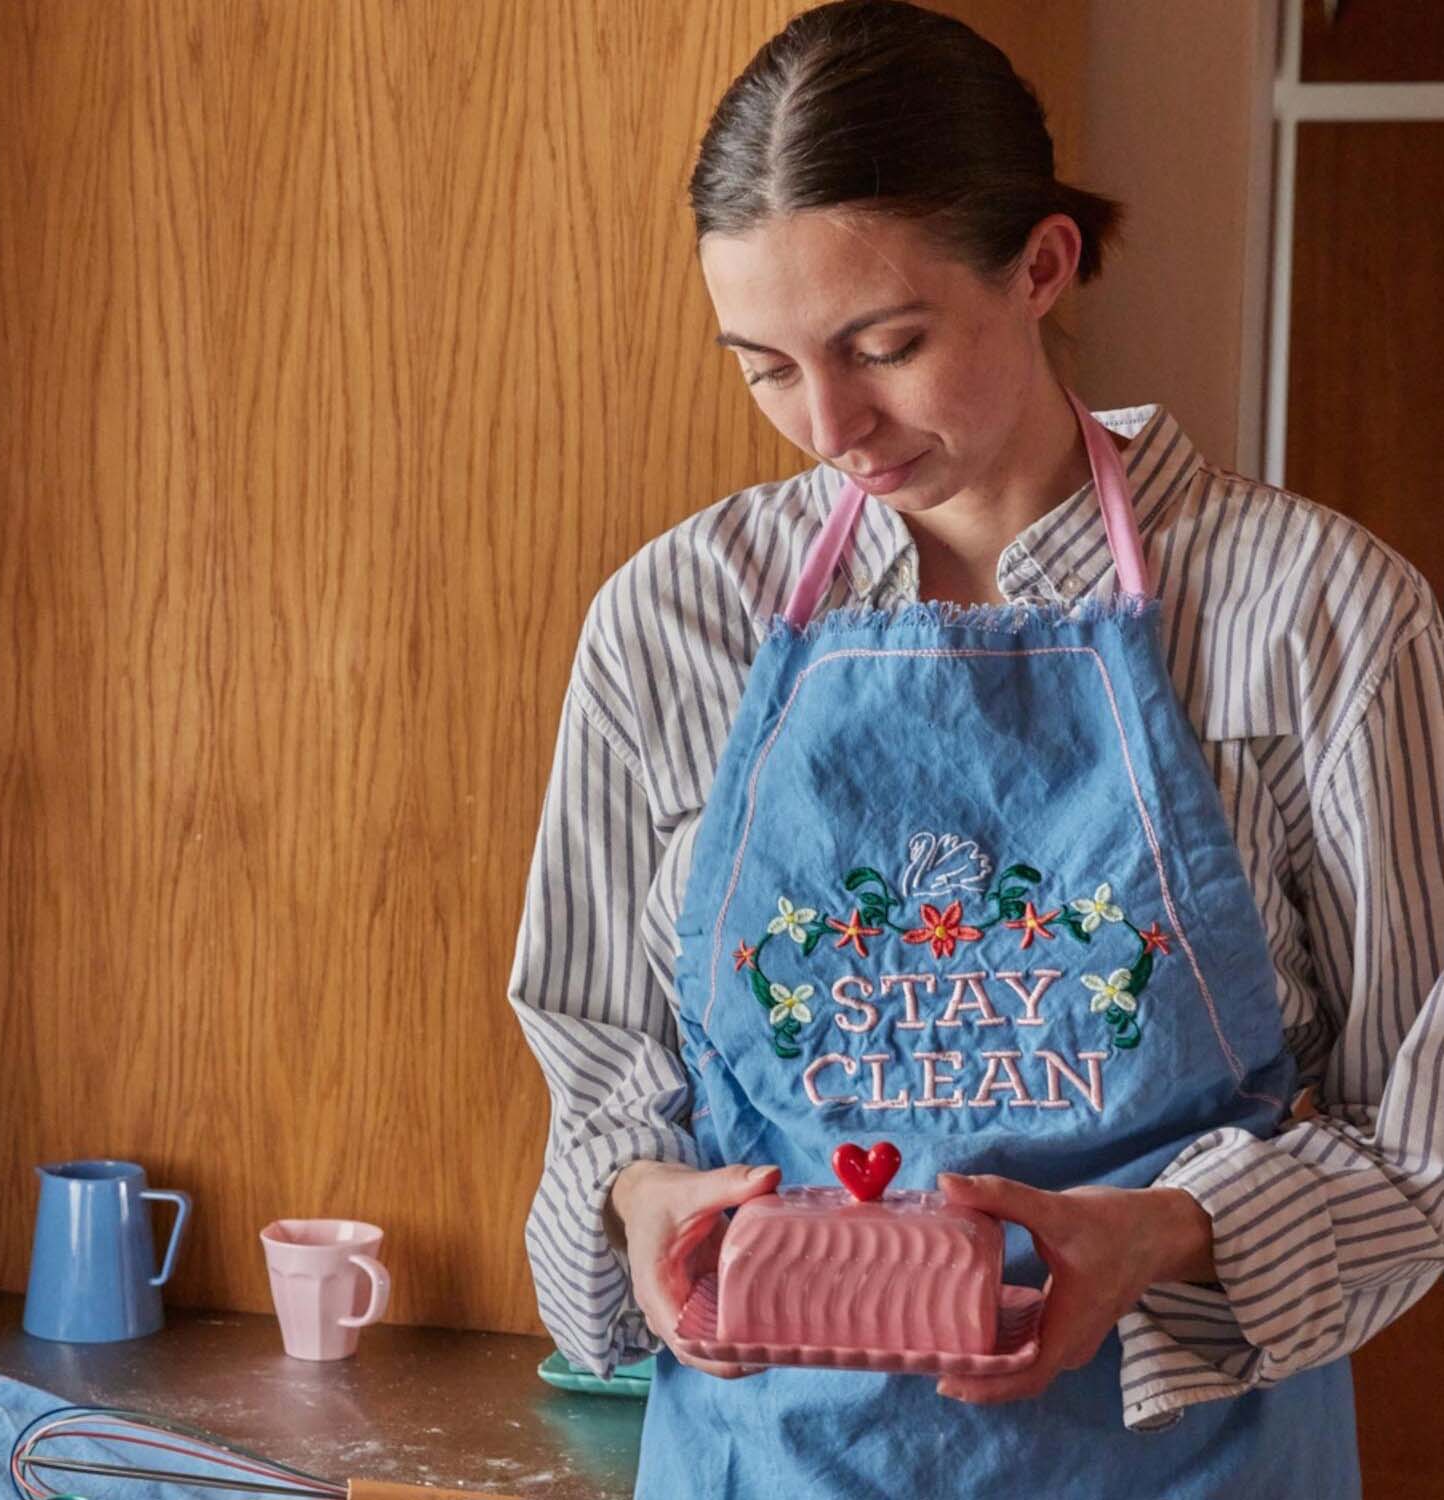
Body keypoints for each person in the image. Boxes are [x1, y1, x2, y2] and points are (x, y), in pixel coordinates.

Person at [507, 3, 1444, 1495]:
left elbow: (1428, 1128)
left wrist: (1166, 1232)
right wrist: (643, 1204)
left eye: (885, 345)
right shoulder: (673, 623)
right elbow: (604, 1074)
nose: (830, 426)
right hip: (772, 1459)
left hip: (1183, 1461)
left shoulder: (1317, 615)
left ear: (1042, 264)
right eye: (763, 365)